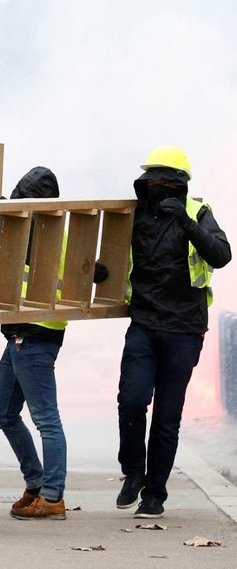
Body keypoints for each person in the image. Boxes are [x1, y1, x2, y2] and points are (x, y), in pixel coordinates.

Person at [116, 145, 230, 518]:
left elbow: (221, 255)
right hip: (144, 324)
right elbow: (113, 255)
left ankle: (154, 495)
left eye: (164, 180)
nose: (157, 188)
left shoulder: (198, 212)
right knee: (132, 400)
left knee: (167, 416)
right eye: (152, 180)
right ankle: (133, 473)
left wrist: (186, 222)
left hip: (184, 328)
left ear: (180, 185)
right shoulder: (134, 216)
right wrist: (103, 272)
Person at [0, 167, 108, 521]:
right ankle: (37, 482)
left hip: (36, 337)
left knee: (46, 419)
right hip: (18, 334)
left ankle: (53, 495)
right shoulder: (32, 229)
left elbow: (89, 270)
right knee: (4, 414)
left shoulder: (47, 233)